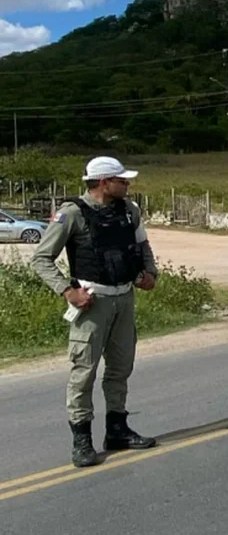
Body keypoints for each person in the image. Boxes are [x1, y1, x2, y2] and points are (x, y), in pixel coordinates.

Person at [31, 156, 159, 468]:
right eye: (122, 180)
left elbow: (143, 246)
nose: (127, 185)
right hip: (92, 302)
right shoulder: (72, 214)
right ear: (104, 183)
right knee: (83, 372)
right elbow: (41, 259)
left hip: (124, 298)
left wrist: (150, 273)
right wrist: (67, 291)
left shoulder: (130, 211)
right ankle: (82, 441)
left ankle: (117, 429)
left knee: (120, 367)